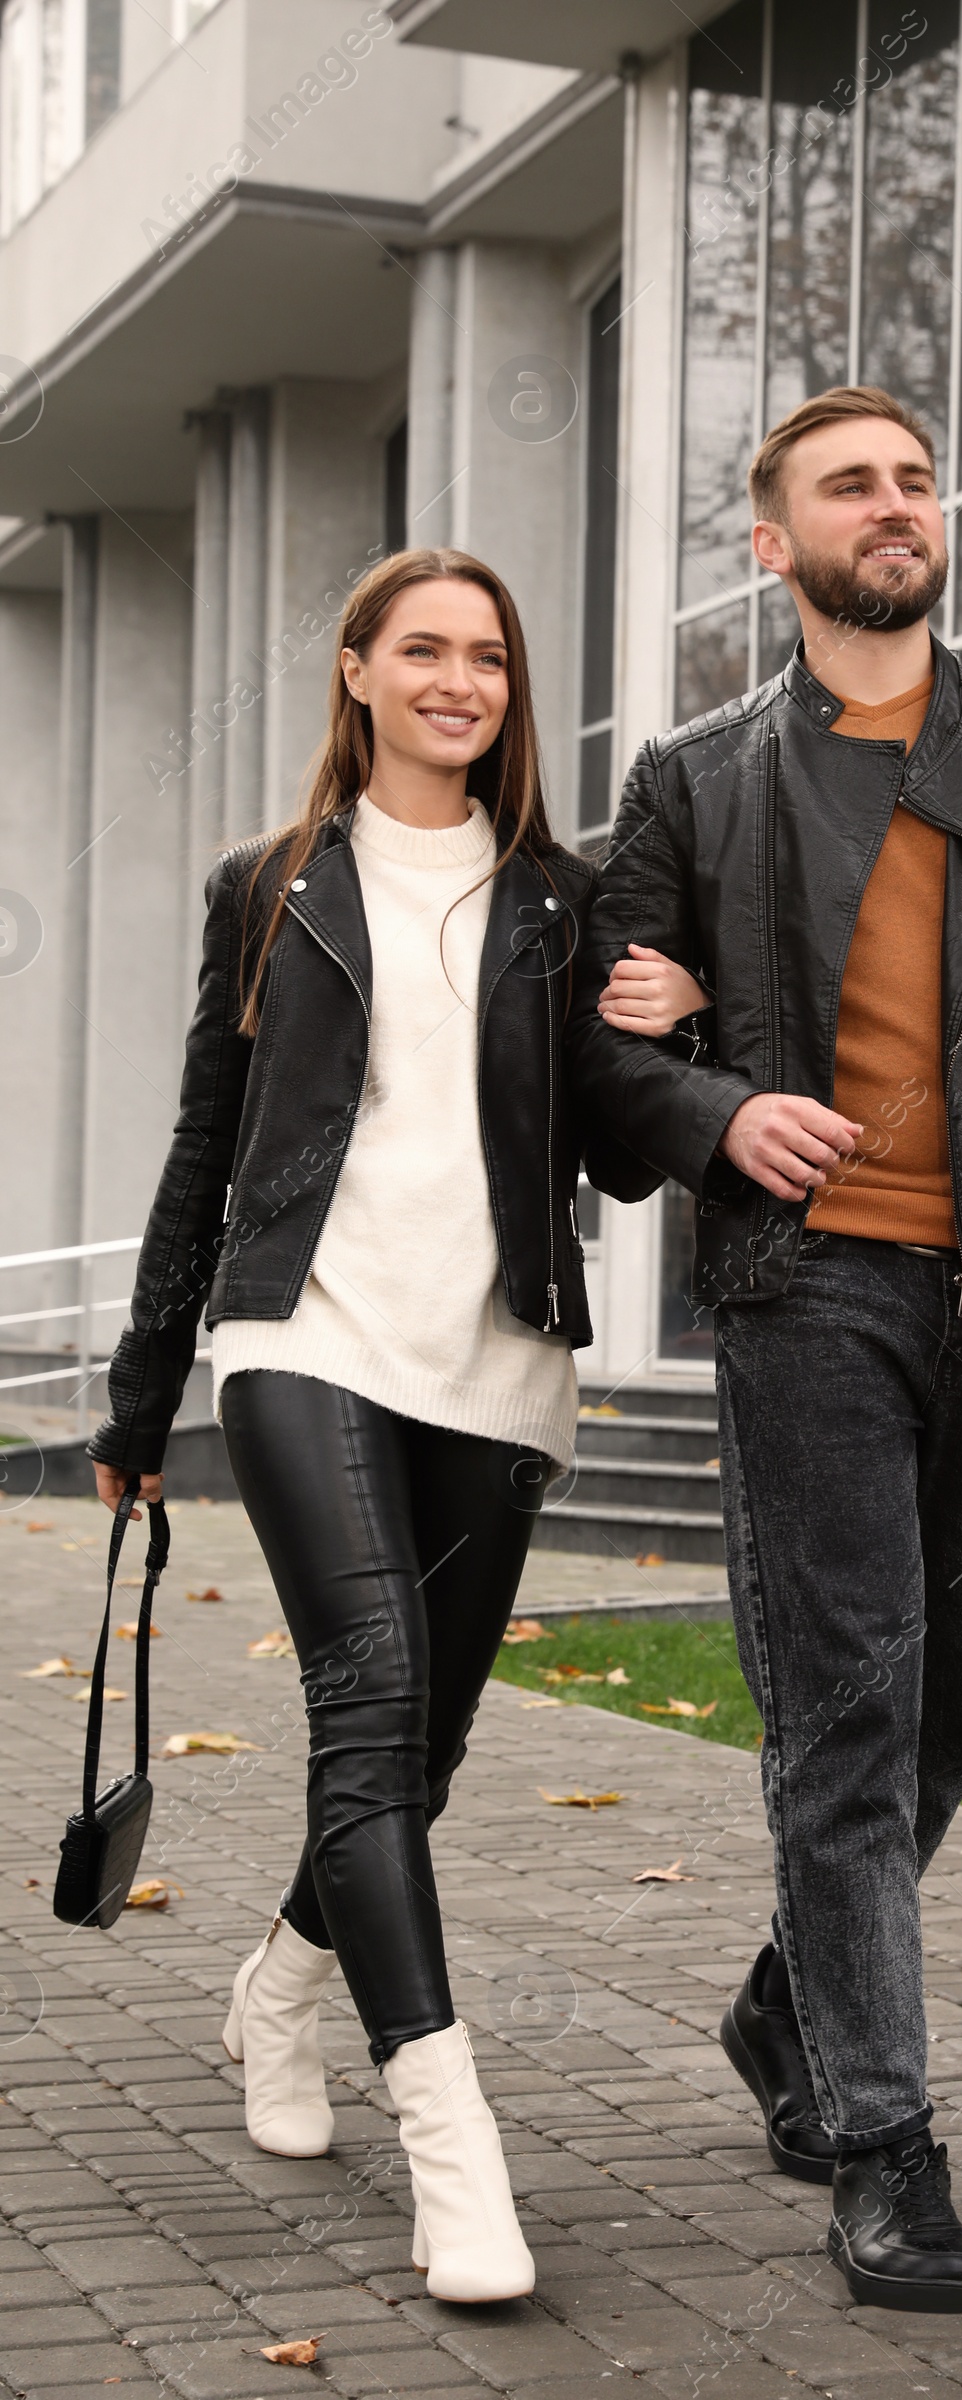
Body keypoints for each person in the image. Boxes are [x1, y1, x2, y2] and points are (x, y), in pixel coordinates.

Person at [572, 389, 962, 2314]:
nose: (899, 505)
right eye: (853, 484)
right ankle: (885, 2149)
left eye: (919, 479)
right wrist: (717, 1112)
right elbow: (601, 1046)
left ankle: (791, 2005)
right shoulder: (693, 776)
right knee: (844, 1712)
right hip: (809, 1291)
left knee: (960, 1700)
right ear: (776, 544)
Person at [87, 549, 702, 2304]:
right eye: (423, 650)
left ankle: (276, 2004)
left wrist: (683, 1026)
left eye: (489, 658)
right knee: (367, 1717)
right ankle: (454, 2151)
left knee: (412, 1763)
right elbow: (206, 1142)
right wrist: (142, 1394)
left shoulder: (563, 904)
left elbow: (631, 1151)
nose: (460, 681)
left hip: (498, 1361)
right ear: (355, 672)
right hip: (307, 1342)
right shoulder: (269, 887)